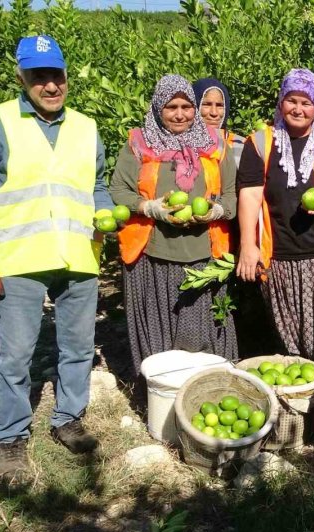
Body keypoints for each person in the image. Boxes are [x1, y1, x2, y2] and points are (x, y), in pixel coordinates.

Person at [0, 35, 113, 484]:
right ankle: (10, 437)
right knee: (15, 354)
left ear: (66, 75)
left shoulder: (87, 128)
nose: (50, 86)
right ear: (21, 77)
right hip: (19, 259)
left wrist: (105, 214)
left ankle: (67, 417)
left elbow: (98, 186)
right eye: (38, 76)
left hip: (78, 255)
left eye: (56, 75)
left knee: (78, 347)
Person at [110, 74, 238, 375]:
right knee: (159, 333)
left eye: (186, 106)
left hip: (203, 252)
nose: (180, 114)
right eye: (171, 107)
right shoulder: (139, 144)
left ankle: (203, 390)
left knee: (202, 332)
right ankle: (162, 394)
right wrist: (150, 208)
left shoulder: (215, 145)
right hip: (152, 253)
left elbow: (233, 193)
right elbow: (119, 190)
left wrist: (217, 210)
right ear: (158, 109)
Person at [234, 69, 314, 369]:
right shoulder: (260, 142)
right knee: (290, 343)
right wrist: (248, 246)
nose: (298, 109)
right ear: (281, 102)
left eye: (306, 103)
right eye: (291, 100)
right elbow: (249, 195)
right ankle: (301, 406)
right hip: (278, 257)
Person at [192, 78, 247, 166]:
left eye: (219, 105)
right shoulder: (179, 146)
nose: (214, 112)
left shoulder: (241, 146)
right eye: (206, 104)